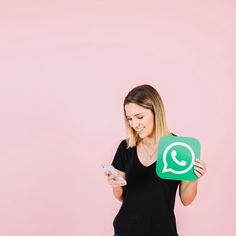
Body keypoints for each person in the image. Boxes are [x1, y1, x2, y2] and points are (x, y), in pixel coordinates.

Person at [104, 84, 207, 236]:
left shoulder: (179, 148)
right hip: (125, 231)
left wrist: (194, 178)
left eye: (139, 117)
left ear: (156, 112)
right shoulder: (125, 147)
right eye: (130, 118)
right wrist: (115, 185)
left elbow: (186, 200)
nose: (134, 124)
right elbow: (121, 197)